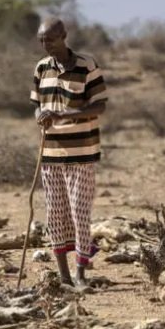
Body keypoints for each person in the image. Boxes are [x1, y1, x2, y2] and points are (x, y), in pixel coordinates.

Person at [30, 17, 107, 288]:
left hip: (81, 152)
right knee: (55, 213)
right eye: (41, 40)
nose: (45, 44)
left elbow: (99, 105)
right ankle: (63, 276)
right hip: (50, 152)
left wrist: (64, 114)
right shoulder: (41, 68)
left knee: (79, 212)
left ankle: (81, 274)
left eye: (49, 39)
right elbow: (37, 104)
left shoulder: (87, 65)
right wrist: (41, 116)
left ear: (64, 36)